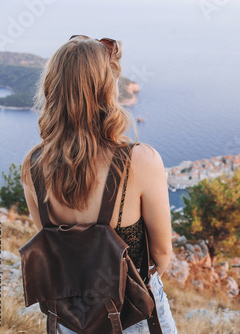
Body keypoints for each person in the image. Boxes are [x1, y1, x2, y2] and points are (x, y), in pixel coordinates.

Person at [20, 35, 178, 334]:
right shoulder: (140, 161)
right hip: (133, 313)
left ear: (51, 88)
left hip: (69, 315)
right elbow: (162, 254)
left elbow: (50, 241)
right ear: (107, 88)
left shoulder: (33, 166)